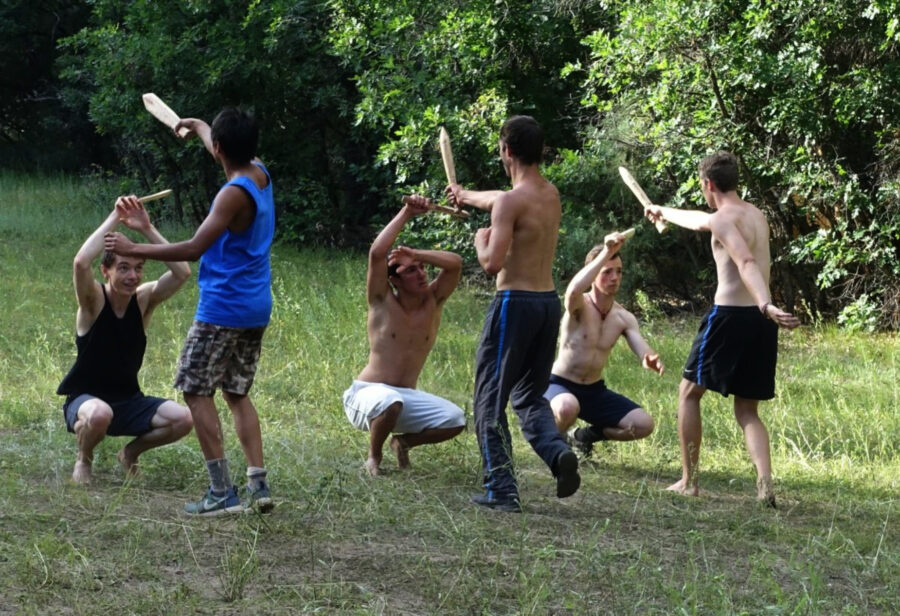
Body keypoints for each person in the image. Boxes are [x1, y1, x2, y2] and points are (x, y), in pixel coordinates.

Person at [105, 107, 276, 515]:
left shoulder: (231, 194)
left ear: (219, 148)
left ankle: (221, 493)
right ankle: (259, 485)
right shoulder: (260, 174)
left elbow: (194, 248)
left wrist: (133, 247)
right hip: (255, 305)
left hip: (224, 307)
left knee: (196, 390)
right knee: (237, 392)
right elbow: (223, 150)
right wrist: (200, 126)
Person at [644, 151, 800, 506]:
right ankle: (764, 483)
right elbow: (699, 219)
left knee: (688, 394)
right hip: (761, 325)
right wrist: (661, 211)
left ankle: (690, 481)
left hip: (731, 317)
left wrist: (765, 302)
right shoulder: (755, 215)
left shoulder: (722, 221)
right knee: (748, 411)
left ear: (708, 184)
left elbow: (744, 261)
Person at [447, 115, 579, 513]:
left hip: (513, 304)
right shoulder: (549, 194)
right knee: (528, 394)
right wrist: (465, 195)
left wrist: (478, 239)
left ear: (506, 151)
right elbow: (503, 200)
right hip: (546, 303)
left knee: (490, 398)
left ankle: (501, 489)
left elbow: (491, 263)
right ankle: (558, 453)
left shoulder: (509, 202)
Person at [58, 196, 193, 485]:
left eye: (138, 268)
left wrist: (146, 228)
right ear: (105, 271)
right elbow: (81, 262)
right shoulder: (93, 301)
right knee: (99, 413)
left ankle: (129, 454)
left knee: (183, 419)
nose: (133, 275)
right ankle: (84, 459)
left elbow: (182, 271)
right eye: (123, 268)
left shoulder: (143, 301)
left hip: (129, 400)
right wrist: (115, 217)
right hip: (86, 401)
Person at [343, 195, 466, 476]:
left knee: (455, 418)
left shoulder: (434, 301)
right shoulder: (381, 300)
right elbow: (377, 253)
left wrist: (416, 254)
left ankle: (402, 443)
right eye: (411, 271)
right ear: (394, 280)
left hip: (403, 397)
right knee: (389, 400)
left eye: (422, 268)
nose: (421, 274)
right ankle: (373, 458)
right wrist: (407, 212)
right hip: (365, 396)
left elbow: (455, 263)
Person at [545, 231, 664, 458]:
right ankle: (551, 444)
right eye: (607, 272)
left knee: (642, 424)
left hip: (593, 391)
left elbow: (641, 346)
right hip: (559, 385)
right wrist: (607, 251)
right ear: (592, 275)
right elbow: (573, 289)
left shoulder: (623, 317)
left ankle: (581, 436)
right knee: (567, 407)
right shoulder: (579, 305)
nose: (614, 277)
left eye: (618, 272)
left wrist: (648, 357)